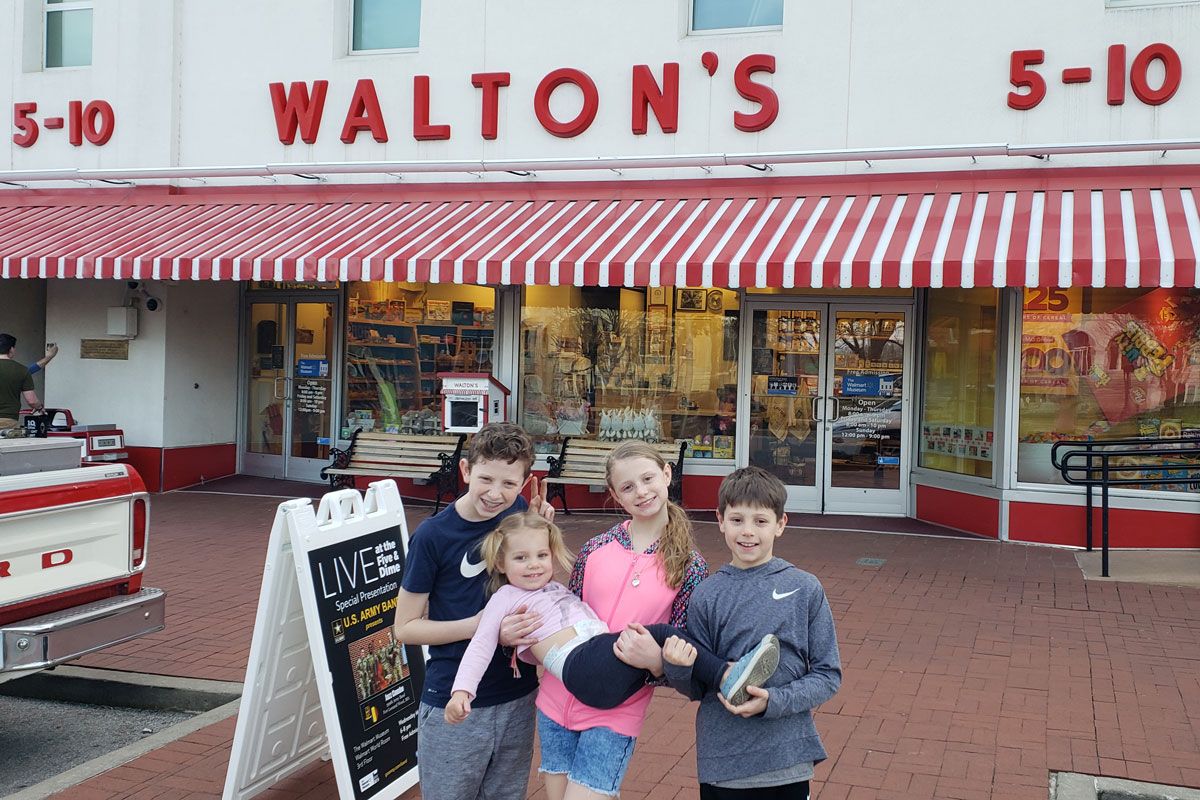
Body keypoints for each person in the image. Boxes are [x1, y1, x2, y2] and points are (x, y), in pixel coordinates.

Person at [444, 512, 778, 721]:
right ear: (501, 565)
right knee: (658, 633)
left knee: (653, 646)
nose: (533, 564)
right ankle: (725, 674)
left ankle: (720, 677)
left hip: (604, 677)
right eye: (521, 558)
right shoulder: (505, 597)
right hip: (581, 667)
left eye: (541, 555)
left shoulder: (555, 590)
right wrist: (462, 692)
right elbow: (481, 645)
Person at [535, 440, 709, 800]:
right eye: (628, 487)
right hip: (556, 695)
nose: (641, 492)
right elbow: (567, 612)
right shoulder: (595, 548)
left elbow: (685, 649)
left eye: (648, 479)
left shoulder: (690, 566)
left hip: (616, 708)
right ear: (615, 494)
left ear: (666, 474)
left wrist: (656, 662)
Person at [391, 422, 555, 800]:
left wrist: (537, 532)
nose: (495, 494)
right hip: (455, 696)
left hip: (517, 691)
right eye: (485, 479)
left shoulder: (516, 513)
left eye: (509, 484)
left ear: (525, 482)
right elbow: (406, 628)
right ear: (465, 471)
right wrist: (483, 628)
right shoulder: (433, 537)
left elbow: (529, 584)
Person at [662, 466, 842, 800]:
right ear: (720, 520)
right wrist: (677, 666)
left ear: (780, 525)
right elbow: (697, 688)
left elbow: (827, 674)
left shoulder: (804, 588)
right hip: (724, 762)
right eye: (737, 520)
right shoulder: (707, 594)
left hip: (786, 757)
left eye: (760, 521)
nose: (748, 532)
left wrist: (773, 701)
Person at [0, 333, 43, 431]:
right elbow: (31, 401)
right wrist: (40, 407)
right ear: (11, 349)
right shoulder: (22, 370)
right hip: (8, 420)